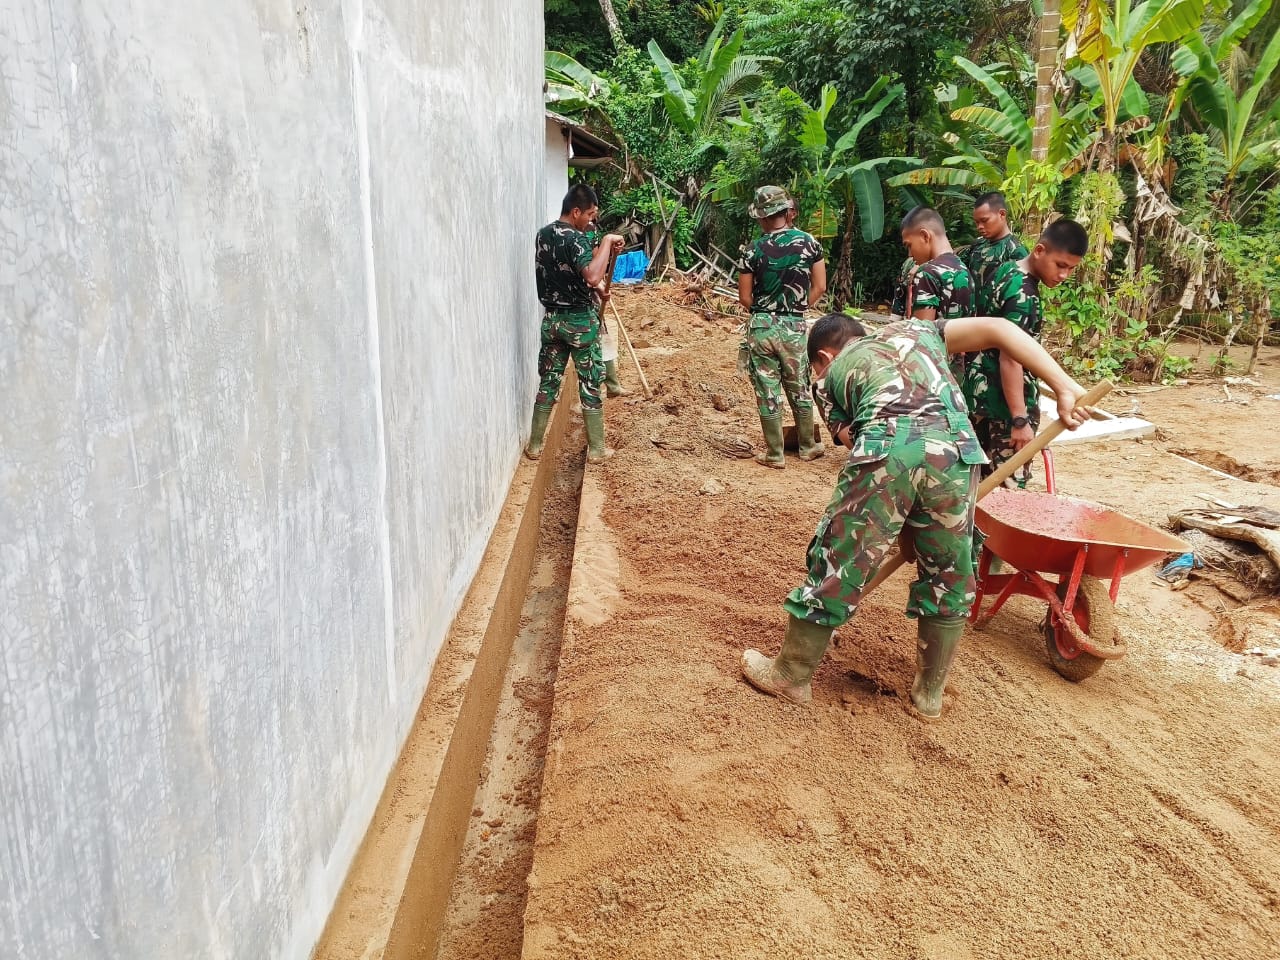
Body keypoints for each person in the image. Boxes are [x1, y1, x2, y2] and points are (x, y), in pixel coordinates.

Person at [740, 312, 1090, 719]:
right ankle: (929, 696)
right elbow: (1000, 328)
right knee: (949, 572)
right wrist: (1064, 386)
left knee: (841, 555)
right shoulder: (919, 330)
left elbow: (855, 439)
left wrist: (894, 512)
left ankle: (791, 675)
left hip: (888, 446)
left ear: (824, 357)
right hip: (958, 454)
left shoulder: (828, 378)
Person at [965, 218, 1088, 487]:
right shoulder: (1024, 295)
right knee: (1008, 489)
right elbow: (1011, 359)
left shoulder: (1006, 271)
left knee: (975, 486)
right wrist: (1019, 419)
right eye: (1060, 265)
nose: (1064, 275)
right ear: (1039, 250)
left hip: (978, 397)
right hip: (1004, 410)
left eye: (1071, 269)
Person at [524, 184, 625, 464]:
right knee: (590, 383)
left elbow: (569, 275)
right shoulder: (577, 239)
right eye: (590, 215)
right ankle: (597, 449)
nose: (591, 220)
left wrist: (597, 286)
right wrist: (607, 242)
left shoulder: (543, 234)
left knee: (549, 381)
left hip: (552, 321)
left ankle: (535, 445)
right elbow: (592, 276)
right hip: (579, 322)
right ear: (576, 211)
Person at [736, 185, 827, 468]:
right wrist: (797, 308)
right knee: (799, 385)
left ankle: (775, 453)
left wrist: (766, 313)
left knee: (767, 389)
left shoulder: (752, 250)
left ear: (762, 217)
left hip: (761, 326)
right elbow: (820, 286)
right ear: (787, 213)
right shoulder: (810, 243)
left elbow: (744, 297)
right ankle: (808, 446)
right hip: (794, 325)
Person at [898, 206, 973, 324]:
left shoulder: (927, 273)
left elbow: (921, 331)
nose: (910, 254)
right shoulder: (964, 270)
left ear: (925, 236)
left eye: (909, 245)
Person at [964, 192, 1029, 289]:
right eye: (977, 222)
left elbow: (1021, 289)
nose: (979, 227)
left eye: (984, 220)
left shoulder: (1016, 251)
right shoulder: (978, 244)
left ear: (1002, 214)